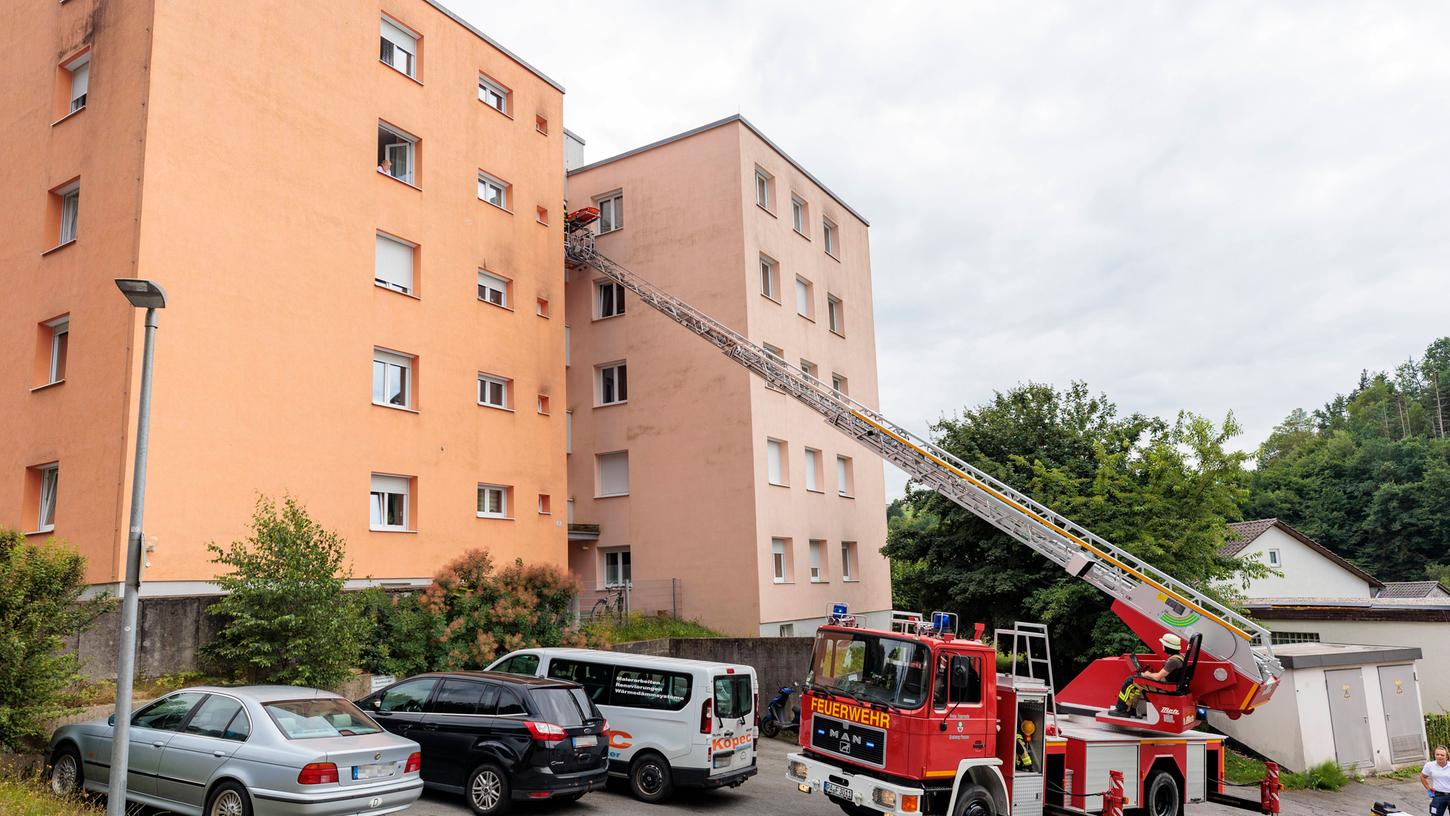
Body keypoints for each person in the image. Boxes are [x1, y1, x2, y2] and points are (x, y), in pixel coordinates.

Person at [1109, 633, 1186, 718]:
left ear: (1167, 646)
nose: (1162, 646)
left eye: (1163, 644)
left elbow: (1157, 677)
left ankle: (1121, 709)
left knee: (1131, 681)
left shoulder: (1173, 661)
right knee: (1138, 683)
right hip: (1170, 684)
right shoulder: (1180, 657)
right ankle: (1131, 710)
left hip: (1165, 687)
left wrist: (1147, 674)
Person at [1423, 745, 1450, 816]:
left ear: (1446, 756)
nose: (1439, 756)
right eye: (1437, 754)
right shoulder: (1429, 765)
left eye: (1442, 755)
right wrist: (1428, 788)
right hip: (1438, 795)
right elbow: (1422, 777)